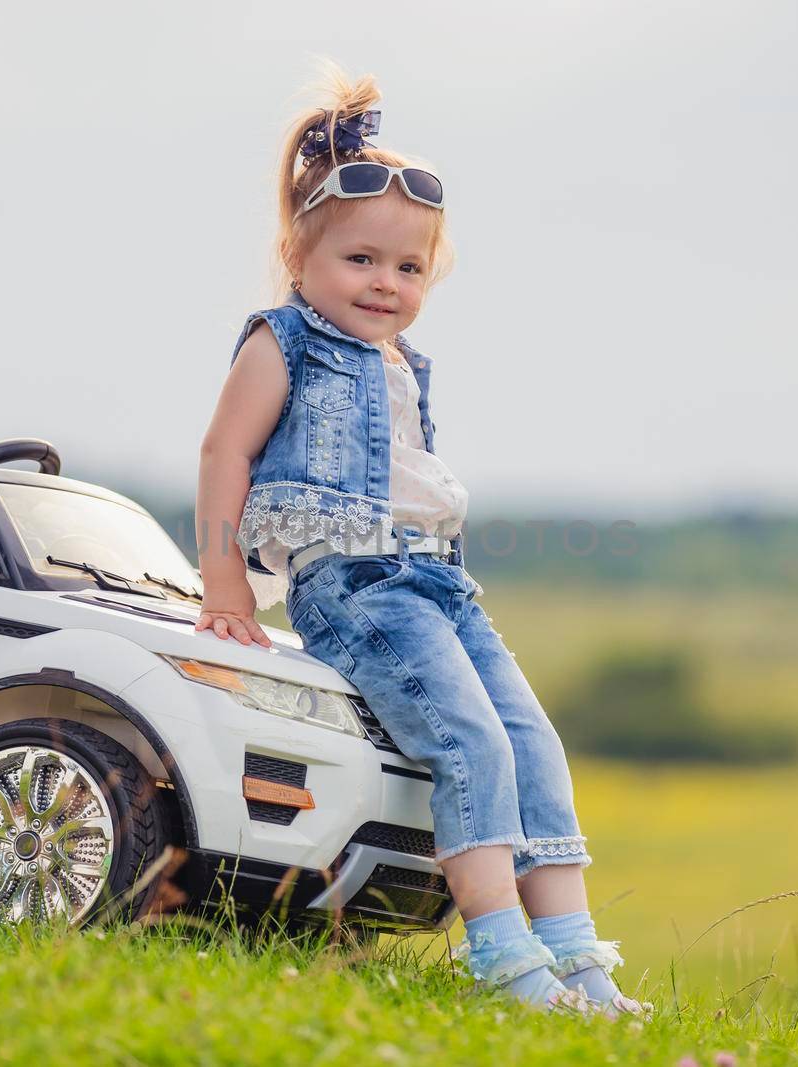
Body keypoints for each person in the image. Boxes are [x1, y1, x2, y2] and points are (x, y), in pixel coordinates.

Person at [193, 63, 648, 1020]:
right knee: (469, 742)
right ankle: (503, 956)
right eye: (361, 260)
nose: (385, 285)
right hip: (354, 586)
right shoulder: (284, 342)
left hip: (439, 584)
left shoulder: (403, 365)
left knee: (533, 746)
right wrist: (225, 584)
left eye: (408, 269)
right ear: (299, 252)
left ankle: (578, 960)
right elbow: (224, 453)